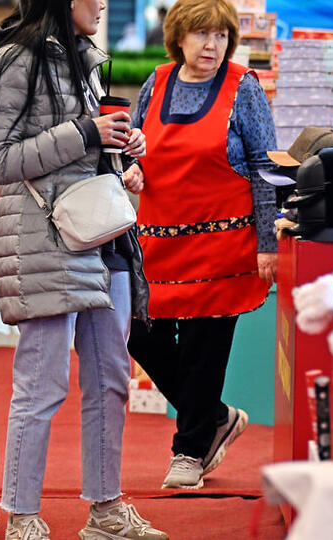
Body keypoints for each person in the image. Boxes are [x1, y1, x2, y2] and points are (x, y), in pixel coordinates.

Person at [0, 0, 165, 538]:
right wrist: (87, 132)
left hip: (104, 238)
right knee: (42, 385)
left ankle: (105, 510)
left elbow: (84, 149)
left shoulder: (83, 59)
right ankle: (23, 515)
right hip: (45, 242)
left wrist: (124, 156)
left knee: (109, 381)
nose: (103, 2)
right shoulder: (15, 58)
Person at [126, 0, 277, 489]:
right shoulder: (157, 82)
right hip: (158, 243)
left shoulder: (244, 88)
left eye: (220, 36)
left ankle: (188, 452)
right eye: (200, 35)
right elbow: (135, 145)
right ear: (179, 39)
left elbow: (264, 167)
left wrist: (268, 240)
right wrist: (131, 167)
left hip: (224, 245)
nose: (211, 45)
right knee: (141, 335)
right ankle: (216, 416)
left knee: (201, 351)